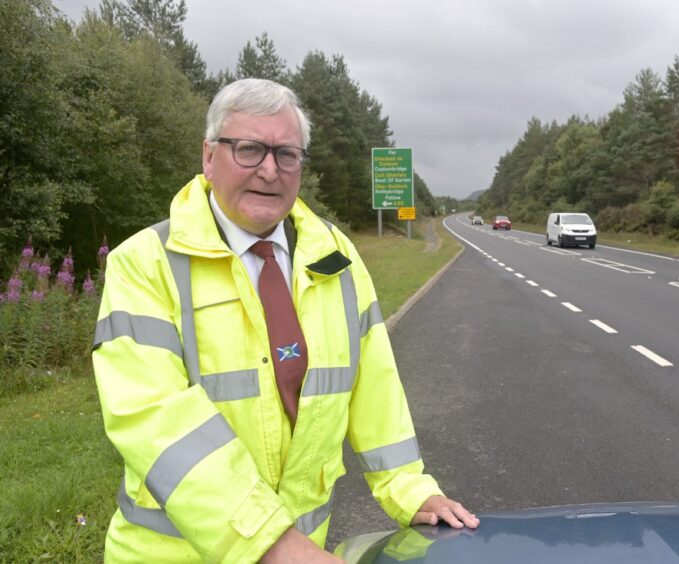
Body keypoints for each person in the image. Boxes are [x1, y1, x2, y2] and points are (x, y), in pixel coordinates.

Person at [92, 78, 478, 563]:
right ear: (209, 156)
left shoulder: (337, 257)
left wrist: (410, 490)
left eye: (286, 154)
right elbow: (156, 421)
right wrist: (271, 544)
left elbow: (374, 386)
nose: (270, 170)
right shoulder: (146, 264)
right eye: (249, 149)